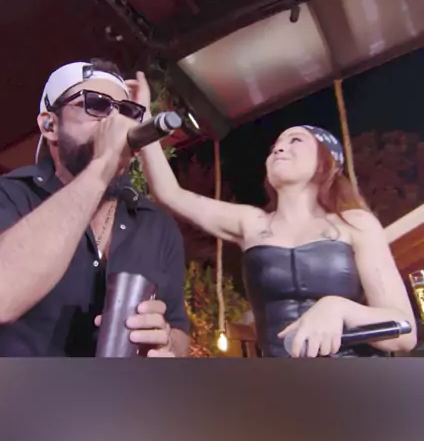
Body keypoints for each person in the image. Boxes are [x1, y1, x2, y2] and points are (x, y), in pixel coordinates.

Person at [131, 72, 417, 358]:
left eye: (296, 141)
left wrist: (338, 308)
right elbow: (170, 193)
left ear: (325, 162)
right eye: (276, 145)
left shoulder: (354, 223)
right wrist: (143, 113)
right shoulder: (251, 223)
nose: (279, 147)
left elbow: (404, 332)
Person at [0, 60, 190, 357]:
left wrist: (166, 343)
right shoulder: (6, 196)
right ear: (50, 125)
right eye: (97, 105)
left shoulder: (156, 224)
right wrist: (103, 163)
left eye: (125, 111)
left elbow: (178, 331)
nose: (115, 121)